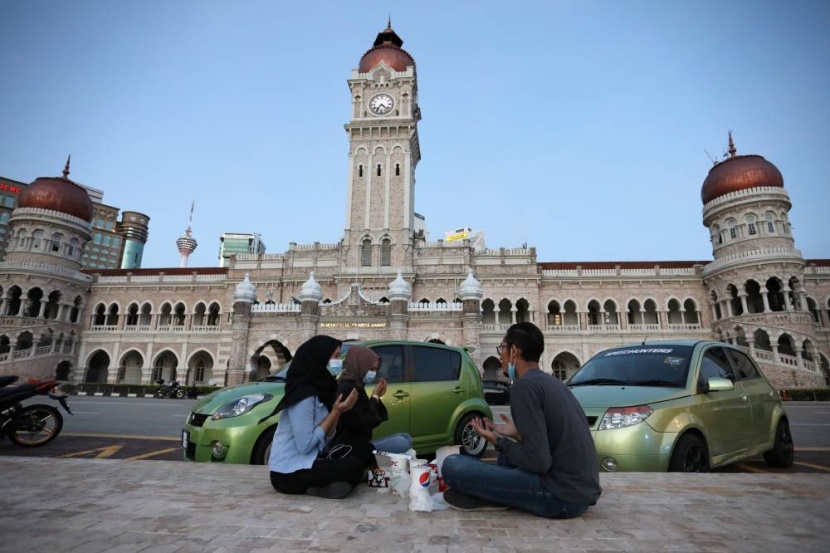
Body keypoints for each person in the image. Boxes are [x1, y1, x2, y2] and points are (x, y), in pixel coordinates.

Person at [441, 322, 602, 518]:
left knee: (452, 465)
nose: (501, 355)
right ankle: (495, 494)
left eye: (503, 349)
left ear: (515, 351)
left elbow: (538, 462)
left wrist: (497, 441)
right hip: (580, 492)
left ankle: (495, 495)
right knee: (505, 456)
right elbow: (548, 446)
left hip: (560, 497)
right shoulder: (552, 383)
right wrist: (517, 434)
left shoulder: (523, 387)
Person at [267, 335, 363, 499]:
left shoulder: (321, 390)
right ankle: (326, 486)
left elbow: (327, 437)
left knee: (360, 454)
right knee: (352, 467)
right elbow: (305, 446)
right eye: (335, 356)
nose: (339, 361)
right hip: (287, 473)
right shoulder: (303, 394)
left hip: (309, 462)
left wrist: (339, 411)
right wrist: (334, 412)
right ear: (320, 358)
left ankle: (332, 486)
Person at [331, 345, 413, 462]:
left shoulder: (356, 384)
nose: (373, 373)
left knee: (406, 437)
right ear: (360, 365)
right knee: (403, 442)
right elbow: (364, 424)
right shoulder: (348, 388)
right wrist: (375, 396)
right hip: (349, 449)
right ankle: (381, 463)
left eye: (375, 369)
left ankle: (383, 462)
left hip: (359, 443)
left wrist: (376, 397)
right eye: (371, 369)